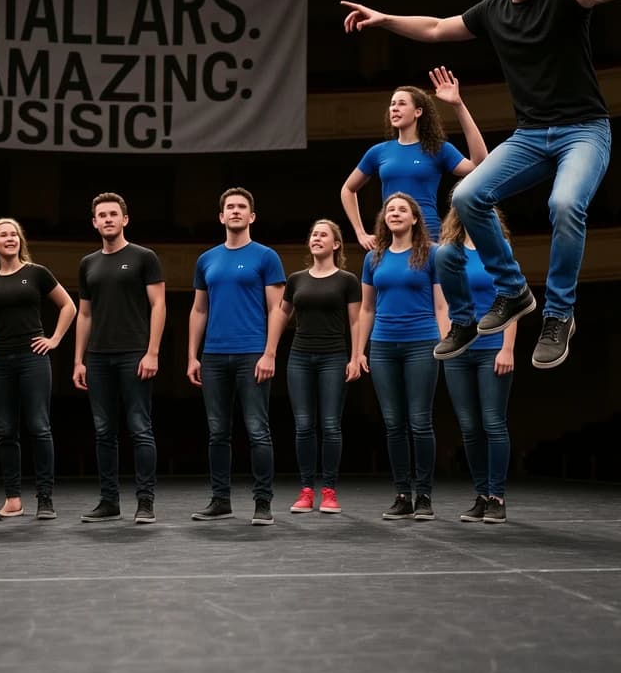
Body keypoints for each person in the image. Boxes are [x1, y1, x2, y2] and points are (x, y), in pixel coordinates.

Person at [342, 0, 621, 369]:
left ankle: (558, 315)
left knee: (566, 203)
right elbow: (436, 28)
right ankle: (512, 291)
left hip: (583, 131)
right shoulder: (493, 11)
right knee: (468, 195)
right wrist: (384, 19)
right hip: (531, 135)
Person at [187, 187, 286, 526]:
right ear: (221, 216)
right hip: (214, 356)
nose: (235, 211)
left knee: (258, 430)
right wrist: (191, 356)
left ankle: (263, 502)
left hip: (252, 354)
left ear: (252, 216)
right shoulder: (207, 259)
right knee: (217, 432)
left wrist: (270, 352)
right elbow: (199, 310)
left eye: (242, 207)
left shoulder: (266, 257)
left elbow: (277, 310)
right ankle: (220, 500)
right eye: (229, 207)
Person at [73, 193, 166, 524]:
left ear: (125, 220)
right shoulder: (88, 263)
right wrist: (78, 360)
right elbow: (84, 314)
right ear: (95, 222)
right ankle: (109, 501)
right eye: (102, 215)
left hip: (134, 355)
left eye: (114, 214)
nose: (108, 219)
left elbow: (158, 305)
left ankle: (145, 502)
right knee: (103, 432)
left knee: (140, 428)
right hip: (98, 357)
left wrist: (152, 351)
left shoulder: (144, 257)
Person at [355, 193, 448, 521]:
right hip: (383, 346)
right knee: (394, 423)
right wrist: (358, 350)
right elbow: (366, 308)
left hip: (422, 343)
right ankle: (401, 494)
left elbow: (441, 305)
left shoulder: (432, 253)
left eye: (402, 209)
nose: (394, 213)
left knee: (420, 421)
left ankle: (423, 494)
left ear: (414, 219)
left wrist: (447, 341)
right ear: (384, 219)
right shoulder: (373, 258)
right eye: (390, 209)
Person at [0, 218, 76, 521]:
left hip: (32, 358)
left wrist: (55, 339)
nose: (10, 238)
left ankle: (44, 499)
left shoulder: (36, 274)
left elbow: (69, 306)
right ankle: (12, 499)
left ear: (20, 241)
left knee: (39, 426)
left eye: (14, 234)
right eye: (3, 235)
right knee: (6, 430)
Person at [265, 220, 361, 515]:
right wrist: (269, 351)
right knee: (304, 425)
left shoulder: (347, 280)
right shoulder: (296, 279)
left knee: (330, 425)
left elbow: (356, 320)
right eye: (313, 234)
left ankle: (329, 491)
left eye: (323, 234)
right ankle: (307, 490)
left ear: (335, 245)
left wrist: (356, 356)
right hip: (300, 357)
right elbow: (281, 315)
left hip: (333, 356)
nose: (316, 238)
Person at [341, 68, 487, 245]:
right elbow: (348, 189)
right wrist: (360, 232)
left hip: (428, 234)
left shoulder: (438, 148)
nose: (394, 108)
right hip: (391, 234)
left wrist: (458, 105)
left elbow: (478, 164)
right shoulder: (378, 151)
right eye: (392, 104)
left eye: (402, 103)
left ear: (418, 112)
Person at [436, 205, 517, 524]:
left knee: (493, 423)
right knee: (469, 428)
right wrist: (446, 338)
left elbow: (513, 299)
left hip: (492, 347)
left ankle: (497, 496)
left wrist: (507, 348)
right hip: (460, 351)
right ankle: (482, 495)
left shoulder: (499, 249)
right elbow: (442, 303)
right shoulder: (448, 252)